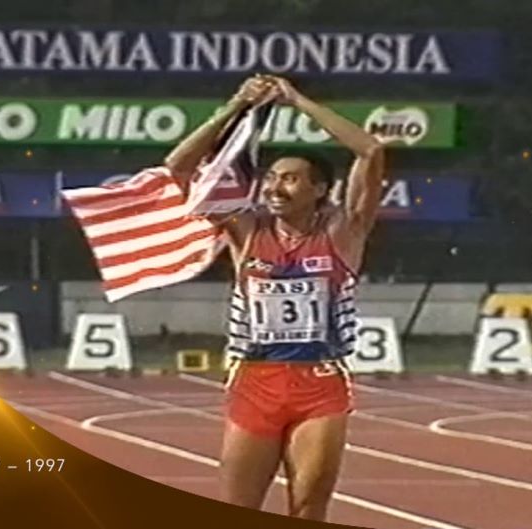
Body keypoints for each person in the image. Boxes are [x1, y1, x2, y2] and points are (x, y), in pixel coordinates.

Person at [164, 75, 385, 520]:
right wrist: (234, 106)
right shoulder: (246, 229)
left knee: (308, 508)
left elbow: (371, 151)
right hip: (255, 382)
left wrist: (297, 99)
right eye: (271, 178)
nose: (275, 188)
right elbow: (178, 168)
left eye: (290, 179)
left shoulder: (343, 232)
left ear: (319, 190)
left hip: (320, 382)